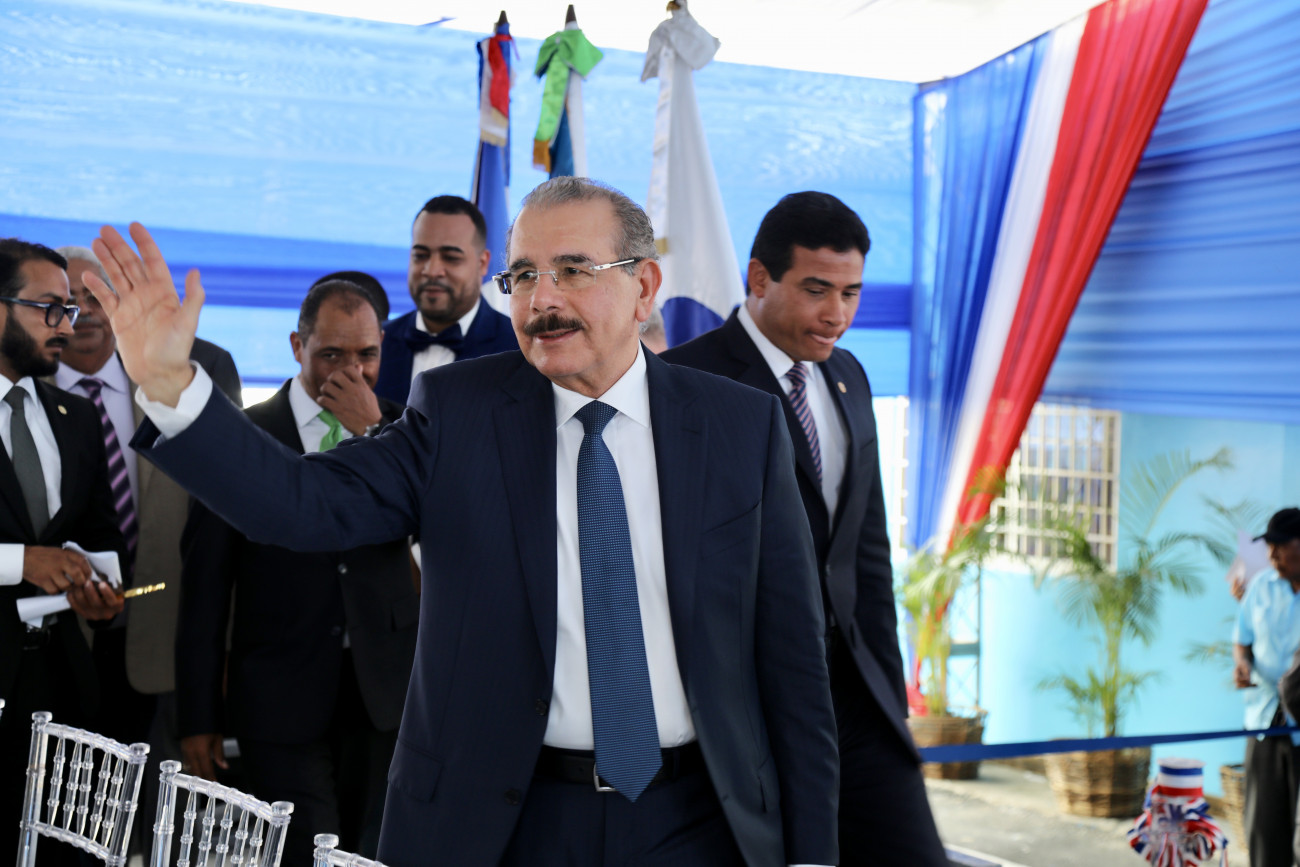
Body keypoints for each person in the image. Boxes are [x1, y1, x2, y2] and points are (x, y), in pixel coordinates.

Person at [87, 177, 839, 867]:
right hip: (504, 822)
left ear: (644, 286)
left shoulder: (741, 427)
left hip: (701, 821)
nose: (542, 300)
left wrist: (812, 854)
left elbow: (795, 663)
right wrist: (171, 386)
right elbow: (301, 504)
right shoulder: (456, 413)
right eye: (523, 276)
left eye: (572, 270)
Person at [663, 191, 947, 866]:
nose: (837, 315)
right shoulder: (683, 382)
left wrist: (890, 696)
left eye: (851, 293)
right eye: (817, 290)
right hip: (751, 706)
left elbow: (866, 553)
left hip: (858, 698)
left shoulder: (849, 374)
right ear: (759, 278)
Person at [176, 279, 417, 864]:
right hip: (279, 699)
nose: (352, 371)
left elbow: (445, 532)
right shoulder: (246, 437)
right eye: (332, 354)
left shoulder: (405, 432)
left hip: (384, 696)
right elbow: (205, 588)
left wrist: (375, 435)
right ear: (296, 346)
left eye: (366, 354)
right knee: (307, 850)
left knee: (370, 851)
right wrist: (198, 717)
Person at [51, 245, 243, 847]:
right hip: (60, 652)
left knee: (166, 833)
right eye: (65, 301)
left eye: (94, 295)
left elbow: (226, 514)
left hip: (171, 642)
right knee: (70, 830)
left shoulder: (194, 366)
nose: (83, 311)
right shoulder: (21, 385)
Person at [0, 239, 126, 864]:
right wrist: (20, 562)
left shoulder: (76, 415)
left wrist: (103, 592)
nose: (67, 326)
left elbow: (102, 535)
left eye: (70, 309)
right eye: (50, 308)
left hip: (65, 687)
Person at [374, 196, 518, 403]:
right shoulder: (374, 344)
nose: (432, 271)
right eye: (420, 255)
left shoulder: (518, 348)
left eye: (451, 258)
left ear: (483, 263)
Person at [1237, 507, 1300, 867]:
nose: (1272, 554)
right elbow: (1241, 639)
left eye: (1281, 545)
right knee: (1263, 830)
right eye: (1269, 546)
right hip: (1264, 721)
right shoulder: (1261, 586)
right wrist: (1242, 663)